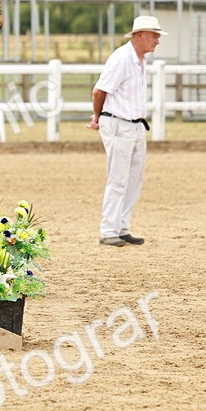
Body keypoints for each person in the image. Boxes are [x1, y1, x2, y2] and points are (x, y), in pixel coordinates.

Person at [87, 16, 167, 247]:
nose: (157, 41)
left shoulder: (139, 60)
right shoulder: (121, 59)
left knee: (134, 179)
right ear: (139, 35)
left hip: (135, 124)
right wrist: (97, 117)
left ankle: (122, 227)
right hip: (119, 124)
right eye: (154, 36)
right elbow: (99, 91)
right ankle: (109, 230)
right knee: (118, 177)